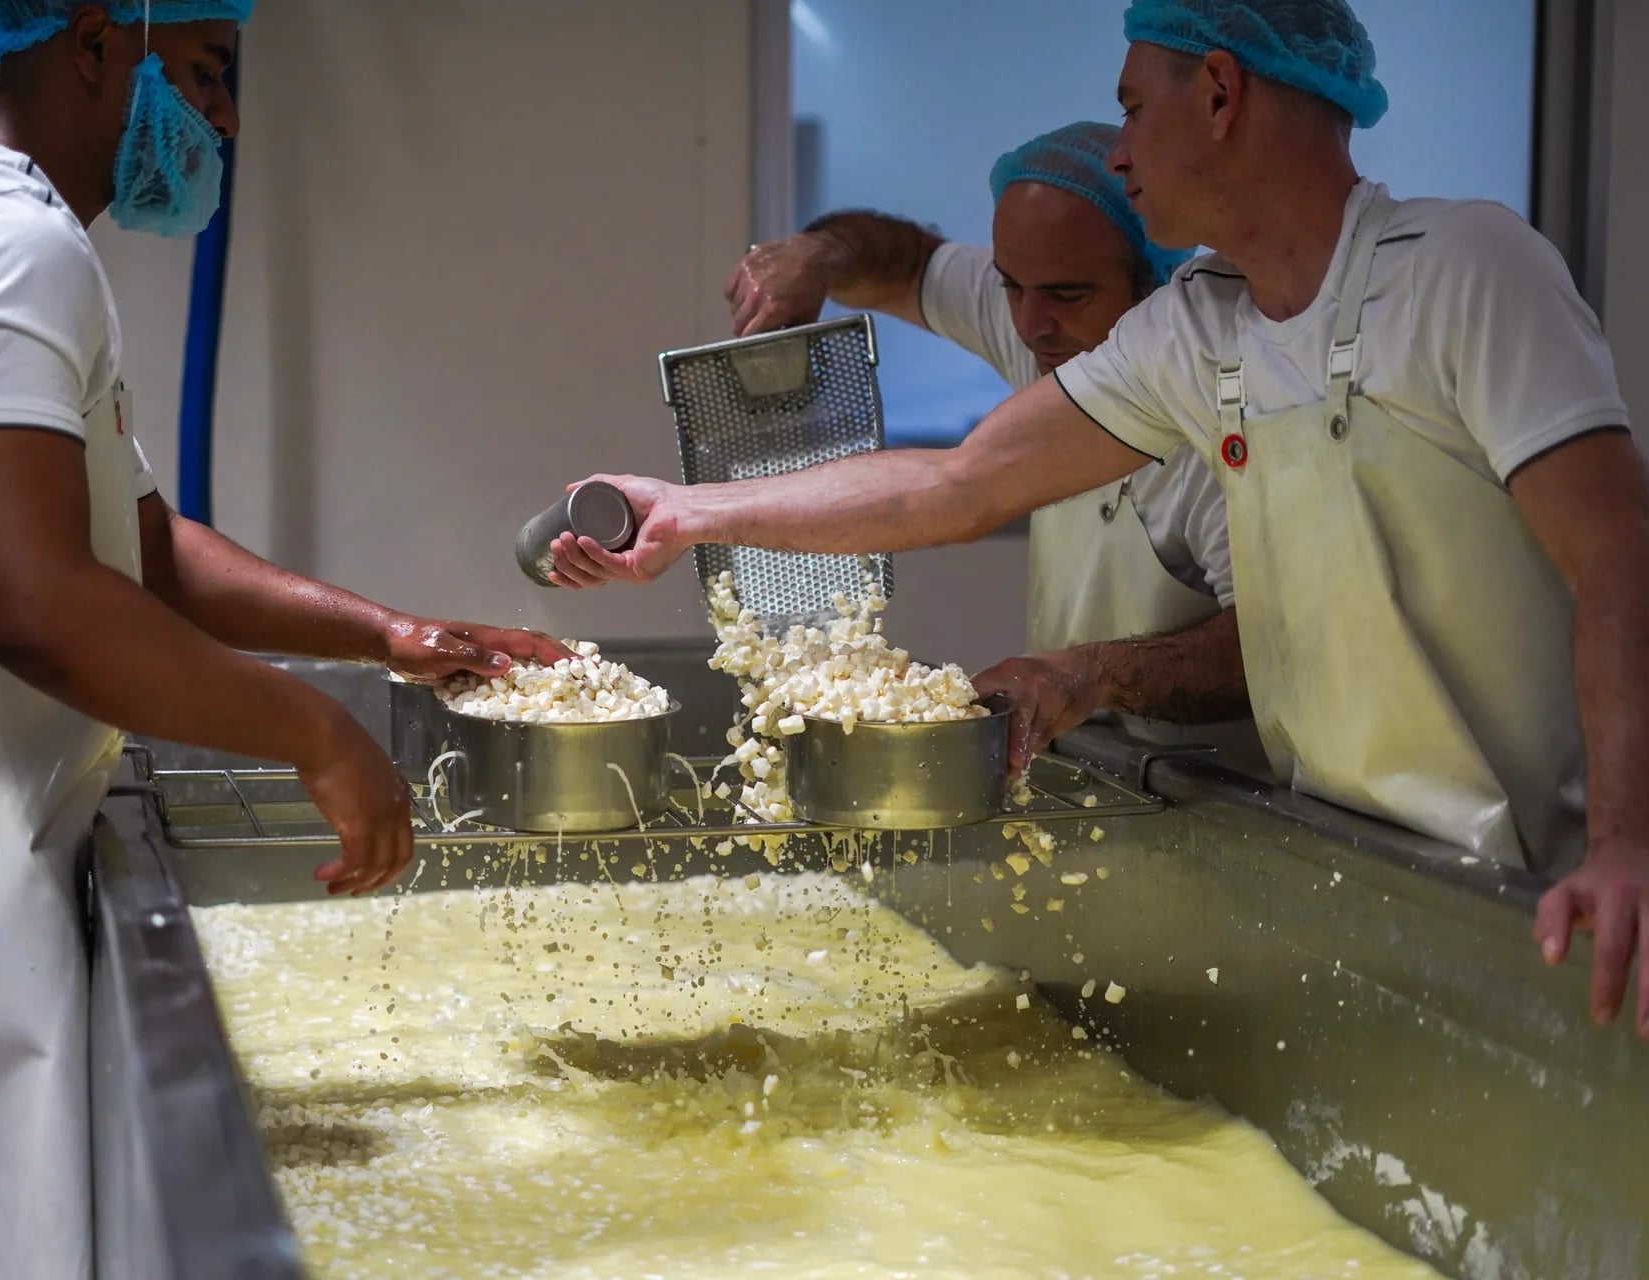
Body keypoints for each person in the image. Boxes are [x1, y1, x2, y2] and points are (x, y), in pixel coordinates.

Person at [549, 0, 1649, 1036]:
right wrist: (691, 511)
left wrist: (1627, 842)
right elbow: (960, 484)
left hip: (1536, 895)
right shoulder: (1199, 330)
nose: (1118, 153)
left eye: (1131, 108)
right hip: (1344, 853)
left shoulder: (1465, 271)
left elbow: (1617, 553)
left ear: (1219, 93)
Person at [0, 3, 565, 1275]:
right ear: (94, 40)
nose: (222, 117)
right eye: (206, 72)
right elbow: (33, 601)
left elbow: (145, 548)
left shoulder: (11, 232)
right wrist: (316, 733)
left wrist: (391, 635)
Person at [722, 122, 1265, 776]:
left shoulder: (1220, 425)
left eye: (1068, 294)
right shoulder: (1043, 320)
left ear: (1155, 290)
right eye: (1012, 286)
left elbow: (1264, 650)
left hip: (1214, 786)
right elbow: (906, 263)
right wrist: (822, 252)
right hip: (1081, 762)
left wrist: (1095, 674)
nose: (1030, 324)